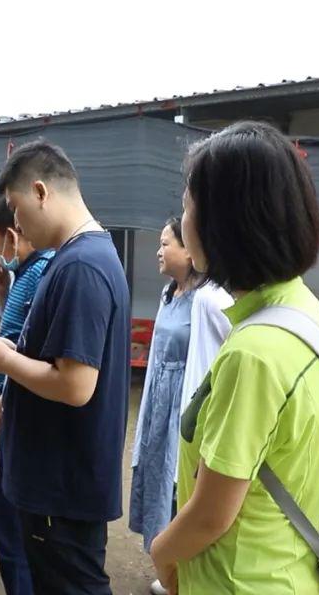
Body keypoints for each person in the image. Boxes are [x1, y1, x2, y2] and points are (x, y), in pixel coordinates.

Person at [147, 122, 319, 595]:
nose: (183, 218)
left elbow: (212, 514)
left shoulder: (254, 353)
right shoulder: (304, 309)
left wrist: (161, 554)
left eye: (189, 205)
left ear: (224, 224)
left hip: (239, 579)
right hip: (287, 566)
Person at [0, 140, 130, 594]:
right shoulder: (76, 258)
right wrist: (13, 396)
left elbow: (76, 386)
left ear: (40, 192)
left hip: (63, 486)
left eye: (16, 209)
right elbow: (55, 358)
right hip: (55, 478)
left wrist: (4, 359)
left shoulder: (82, 267)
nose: (16, 224)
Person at [0, 194, 55, 595]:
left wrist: (8, 391)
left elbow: (35, 350)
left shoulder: (43, 273)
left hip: (24, 408)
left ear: (11, 233)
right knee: (10, 527)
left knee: (12, 532)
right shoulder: (23, 274)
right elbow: (20, 331)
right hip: (14, 403)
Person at [128, 217, 200, 593]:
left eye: (165, 244)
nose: (158, 251)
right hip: (159, 398)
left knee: (180, 483)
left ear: (189, 251)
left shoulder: (207, 299)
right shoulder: (168, 293)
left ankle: (184, 571)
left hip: (183, 402)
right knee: (159, 479)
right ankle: (169, 566)